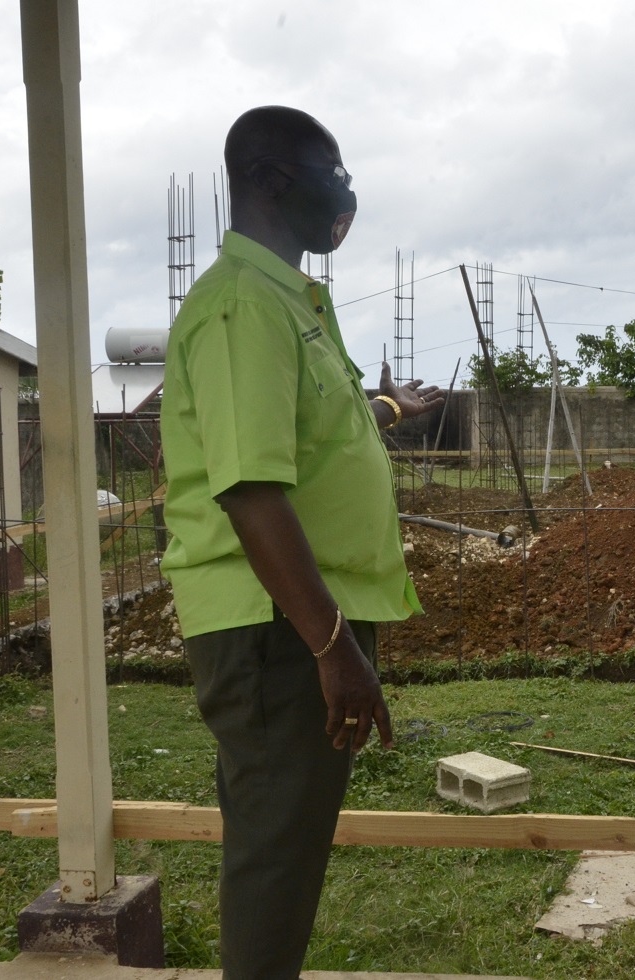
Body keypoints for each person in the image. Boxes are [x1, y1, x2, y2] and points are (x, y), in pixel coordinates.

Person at [160, 105, 443, 980]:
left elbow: (316, 440)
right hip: (277, 627)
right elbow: (249, 488)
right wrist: (332, 645)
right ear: (274, 180)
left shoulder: (292, 303)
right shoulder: (246, 306)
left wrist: (392, 411)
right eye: (333, 170)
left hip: (296, 621)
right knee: (276, 858)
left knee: (286, 849)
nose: (346, 191)